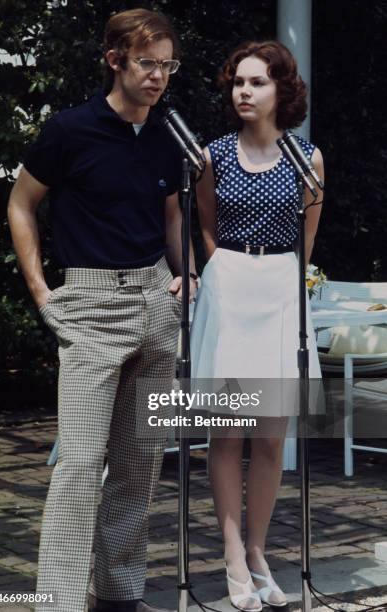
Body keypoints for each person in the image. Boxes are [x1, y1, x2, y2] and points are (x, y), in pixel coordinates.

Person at [7, 8, 197, 612]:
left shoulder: (168, 132)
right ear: (115, 60)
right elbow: (20, 204)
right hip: (89, 302)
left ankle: (119, 594)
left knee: (141, 465)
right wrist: (43, 294)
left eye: (167, 65)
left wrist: (187, 270)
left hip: (155, 299)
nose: (159, 76)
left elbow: (171, 214)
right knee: (80, 466)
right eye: (148, 63)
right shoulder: (70, 129)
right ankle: (59, 602)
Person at [190, 40, 324, 611]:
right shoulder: (212, 153)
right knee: (228, 430)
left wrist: (285, 278)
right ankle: (231, 554)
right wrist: (221, 272)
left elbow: (308, 235)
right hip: (230, 283)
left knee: (271, 435)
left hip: (281, 287)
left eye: (257, 82)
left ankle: (260, 549)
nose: (244, 91)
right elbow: (205, 226)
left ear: (281, 92)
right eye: (238, 82)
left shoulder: (307, 156)